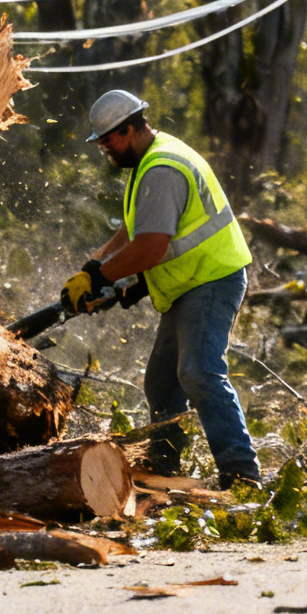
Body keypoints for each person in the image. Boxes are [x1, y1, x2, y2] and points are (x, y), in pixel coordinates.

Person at [67, 90, 262, 488]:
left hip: (211, 278)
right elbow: (137, 226)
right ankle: (166, 468)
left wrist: (102, 277)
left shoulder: (161, 169)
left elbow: (152, 246)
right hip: (189, 281)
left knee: (199, 372)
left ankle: (242, 473)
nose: (104, 148)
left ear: (132, 128)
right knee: (161, 381)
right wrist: (99, 265)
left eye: (108, 140)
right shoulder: (150, 160)